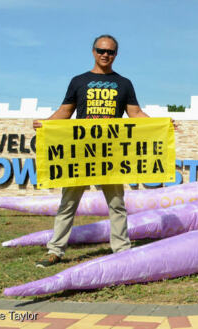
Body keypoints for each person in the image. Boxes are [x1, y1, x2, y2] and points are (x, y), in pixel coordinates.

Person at [33, 34, 149, 267]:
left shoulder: (124, 83)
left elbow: (135, 114)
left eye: (110, 52)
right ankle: (55, 250)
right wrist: (46, 124)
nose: (105, 55)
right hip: (81, 154)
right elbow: (65, 112)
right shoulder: (79, 81)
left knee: (117, 204)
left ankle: (121, 251)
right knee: (68, 203)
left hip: (110, 154)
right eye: (101, 50)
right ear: (93, 51)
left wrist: (163, 125)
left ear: (116, 55)